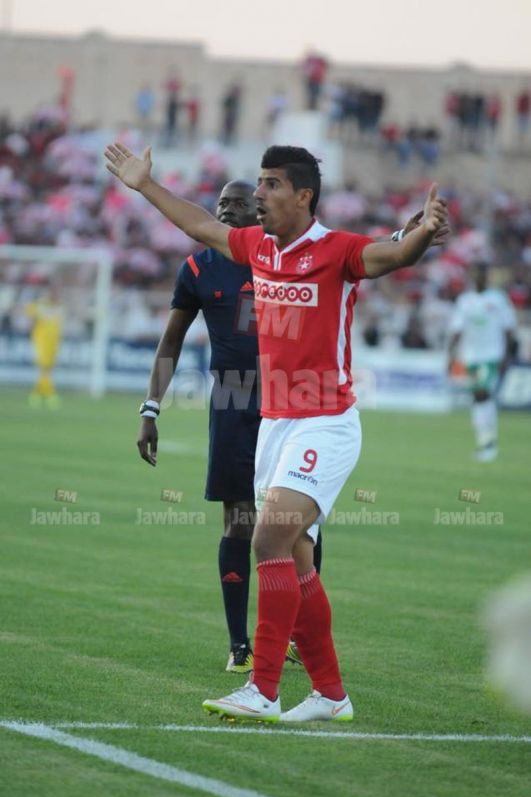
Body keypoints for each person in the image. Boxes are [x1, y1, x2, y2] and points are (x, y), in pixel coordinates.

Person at [104, 140, 448, 723]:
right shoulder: (258, 248)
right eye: (258, 183)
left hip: (326, 424)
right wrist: (144, 185)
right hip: (275, 425)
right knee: (299, 558)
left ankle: (262, 687)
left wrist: (422, 233)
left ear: (303, 196)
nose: (258, 194)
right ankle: (331, 694)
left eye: (270, 184)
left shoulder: (337, 250)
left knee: (265, 541)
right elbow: (197, 224)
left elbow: (395, 256)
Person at [137, 179, 323, 674]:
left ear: (257, 211)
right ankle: (240, 645)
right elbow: (172, 340)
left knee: (299, 522)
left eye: (238, 203)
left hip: (290, 400)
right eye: (221, 203)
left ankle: (297, 637)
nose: (227, 210)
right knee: (238, 518)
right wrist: (151, 407)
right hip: (232, 400)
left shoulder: (285, 257)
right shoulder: (198, 268)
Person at [448, 263, 517, 462]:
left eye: (481, 274)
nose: (478, 278)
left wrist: (507, 355)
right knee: (479, 397)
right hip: (471, 356)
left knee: (481, 393)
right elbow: (457, 330)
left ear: (487, 277)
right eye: (475, 274)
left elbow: (508, 328)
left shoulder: (498, 299)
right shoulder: (465, 300)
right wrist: (450, 356)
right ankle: (485, 441)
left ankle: (488, 444)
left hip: (492, 355)